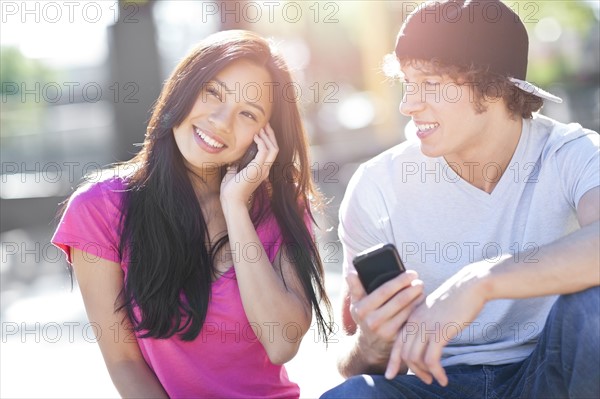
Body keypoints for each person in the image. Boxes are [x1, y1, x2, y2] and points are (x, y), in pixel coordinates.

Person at [322, 0, 599, 398]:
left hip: (548, 373)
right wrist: (371, 345)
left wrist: (481, 282)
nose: (408, 104)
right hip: (430, 383)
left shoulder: (571, 154)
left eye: (430, 83)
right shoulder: (377, 186)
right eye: (407, 83)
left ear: (494, 85)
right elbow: (351, 368)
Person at [52, 30, 333, 398]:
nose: (220, 120)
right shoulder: (100, 207)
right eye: (213, 92)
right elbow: (124, 362)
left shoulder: (281, 207)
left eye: (247, 113)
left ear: (264, 135)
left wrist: (235, 207)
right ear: (184, 87)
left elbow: (282, 343)